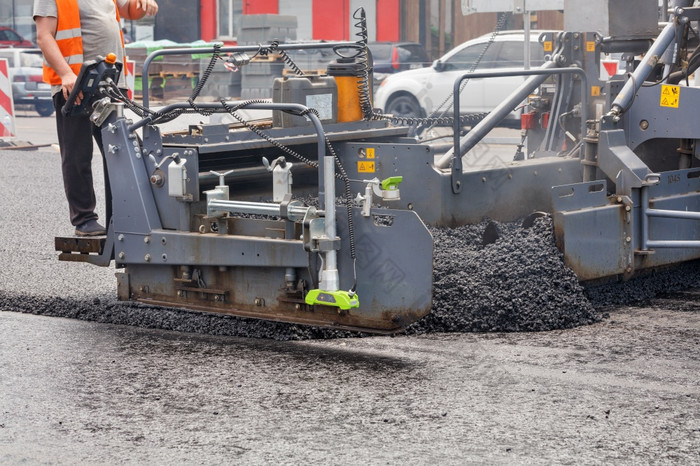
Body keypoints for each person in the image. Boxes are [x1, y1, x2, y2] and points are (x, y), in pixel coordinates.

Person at [33, 0, 158, 236]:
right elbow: (44, 36)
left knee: (122, 153)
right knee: (78, 153)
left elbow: (129, 10)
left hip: (111, 80)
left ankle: (121, 216)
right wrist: (66, 74)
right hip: (76, 84)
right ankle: (84, 219)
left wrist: (144, 4)